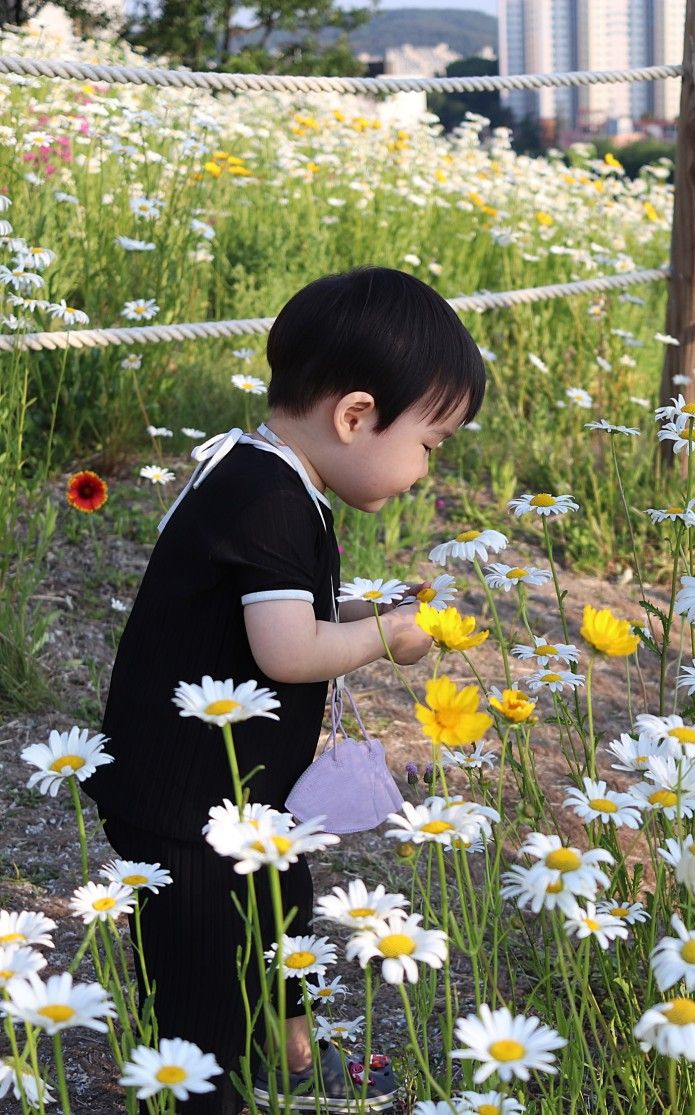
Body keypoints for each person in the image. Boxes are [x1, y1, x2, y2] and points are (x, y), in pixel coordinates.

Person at [82, 265, 486, 1114]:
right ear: (355, 415)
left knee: (278, 901)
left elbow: (279, 612)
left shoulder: (277, 478)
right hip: (184, 801)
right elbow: (287, 649)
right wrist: (385, 635)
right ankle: (203, 1090)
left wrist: (370, 607)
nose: (423, 469)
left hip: (241, 793)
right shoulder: (264, 497)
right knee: (201, 966)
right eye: (428, 444)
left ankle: (286, 1049)